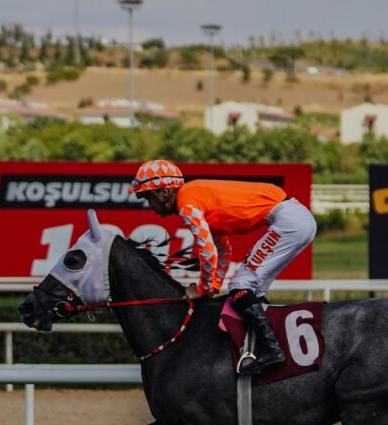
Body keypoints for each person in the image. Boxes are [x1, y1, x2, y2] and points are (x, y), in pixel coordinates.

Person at [129, 159, 317, 376]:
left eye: (148, 197)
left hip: (289, 221)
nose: (150, 207)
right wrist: (213, 286)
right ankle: (262, 345)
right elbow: (223, 249)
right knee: (250, 290)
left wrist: (201, 289)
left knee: (240, 284)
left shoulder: (187, 202)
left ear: (163, 192)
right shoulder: (196, 198)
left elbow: (207, 250)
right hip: (297, 219)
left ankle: (273, 350)